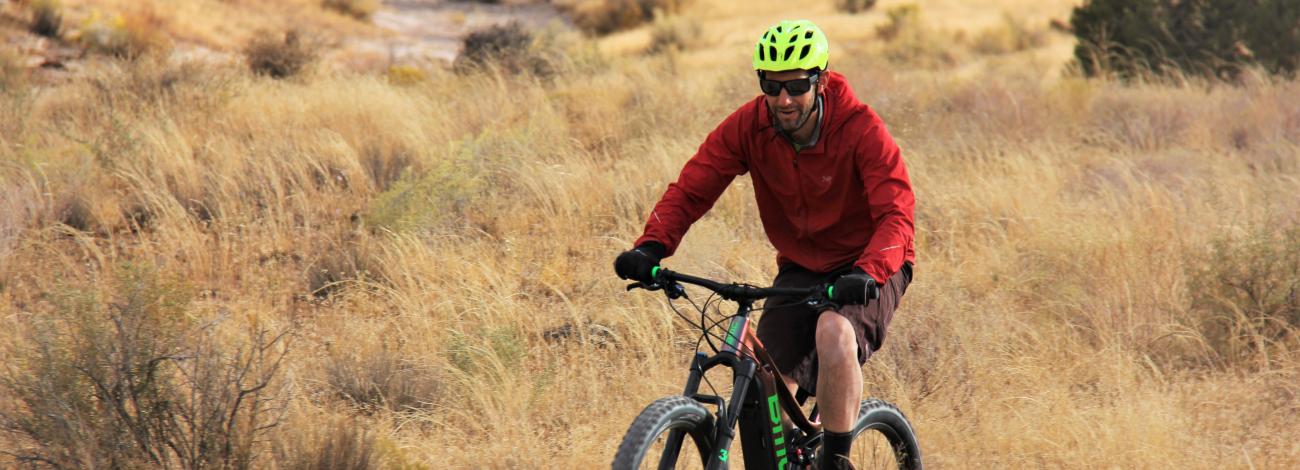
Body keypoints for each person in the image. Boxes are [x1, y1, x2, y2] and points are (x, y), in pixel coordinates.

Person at [613, 19, 915, 469]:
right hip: (802, 266)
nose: (783, 99)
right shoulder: (750, 126)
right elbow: (693, 187)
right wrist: (652, 247)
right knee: (763, 387)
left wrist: (867, 271)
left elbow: (896, 215)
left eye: (796, 86)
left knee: (834, 332)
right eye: (772, 86)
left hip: (869, 266)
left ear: (821, 81)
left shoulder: (860, 128)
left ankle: (835, 461)